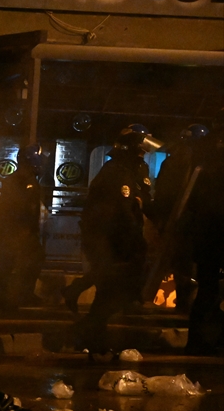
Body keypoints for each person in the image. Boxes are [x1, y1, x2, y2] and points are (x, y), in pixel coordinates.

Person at [70, 124, 161, 353]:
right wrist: (132, 241)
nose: (144, 153)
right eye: (141, 148)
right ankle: (86, 335)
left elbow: (140, 201)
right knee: (110, 290)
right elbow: (120, 211)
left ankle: (92, 336)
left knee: (110, 291)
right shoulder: (116, 172)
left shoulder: (130, 169)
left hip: (117, 240)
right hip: (107, 239)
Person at [150, 123, 210, 312]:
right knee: (189, 264)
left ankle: (187, 302)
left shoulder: (173, 161)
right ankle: (190, 303)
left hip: (181, 221)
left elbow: (161, 193)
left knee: (181, 263)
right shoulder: (204, 165)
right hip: (192, 223)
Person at [181, 119, 222, 355]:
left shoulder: (204, 150)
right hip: (216, 231)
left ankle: (199, 341)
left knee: (208, 289)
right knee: (212, 291)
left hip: (206, 233)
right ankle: (211, 340)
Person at [0, 143, 47, 312]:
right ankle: (5, 299)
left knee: (25, 261)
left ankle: (18, 295)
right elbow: (18, 206)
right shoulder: (21, 180)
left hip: (21, 229)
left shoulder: (26, 178)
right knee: (10, 263)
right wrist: (23, 229)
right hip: (17, 229)